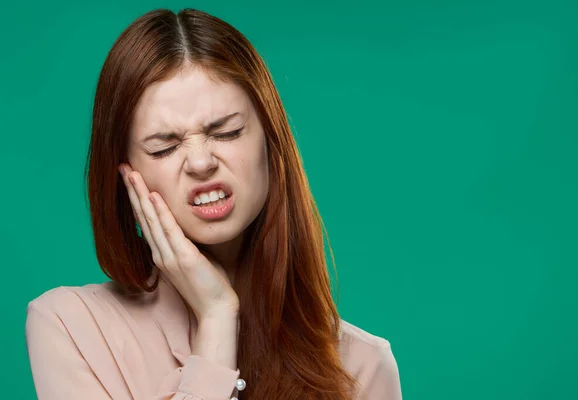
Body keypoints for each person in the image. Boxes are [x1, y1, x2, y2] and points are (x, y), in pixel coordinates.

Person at [25, 8, 402, 400]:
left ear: (271, 143)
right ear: (125, 175)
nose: (202, 163)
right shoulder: (70, 328)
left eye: (227, 132)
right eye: (165, 147)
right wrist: (217, 320)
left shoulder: (361, 367)